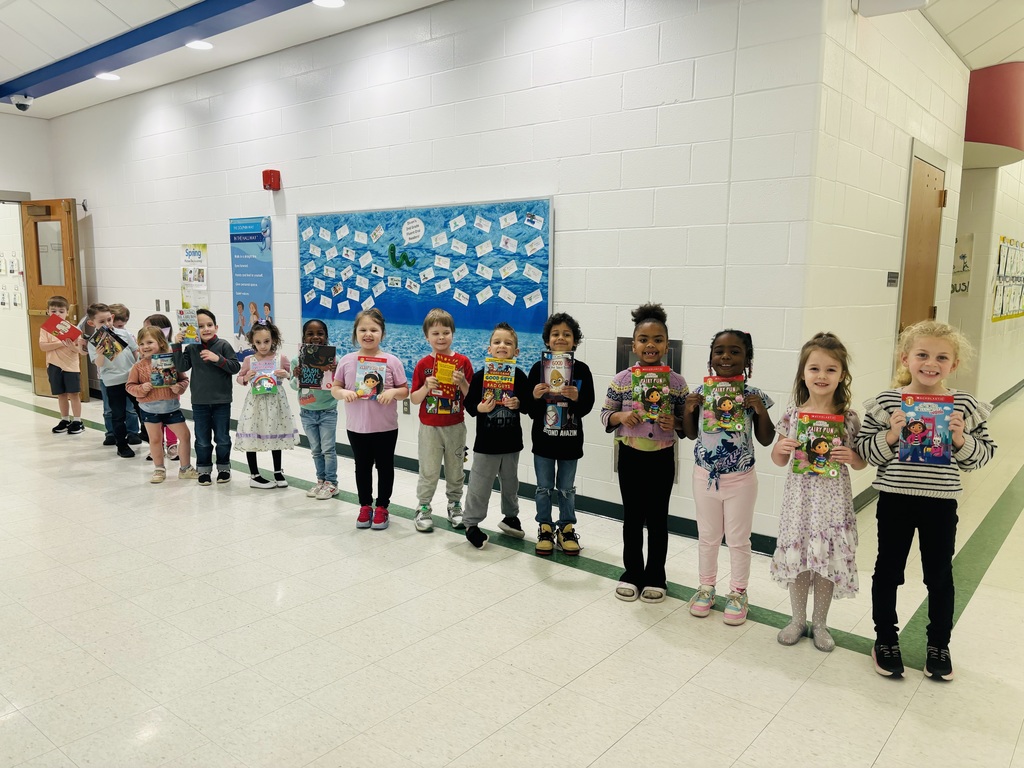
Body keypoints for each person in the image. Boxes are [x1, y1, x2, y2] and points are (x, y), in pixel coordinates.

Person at [855, 321, 996, 681]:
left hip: (940, 503)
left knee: (940, 575)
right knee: (888, 571)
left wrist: (961, 438)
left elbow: (983, 457)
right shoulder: (888, 402)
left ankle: (939, 644)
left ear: (954, 363)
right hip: (895, 499)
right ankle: (885, 639)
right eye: (922, 354)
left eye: (941, 357)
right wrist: (892, 433)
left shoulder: (963, 405)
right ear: (906, 358)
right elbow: (867, 452)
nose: (930, 363)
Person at [770, 332, 867, 652]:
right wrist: (783, 447)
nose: (822, 376)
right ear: (803, 373)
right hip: (800, 503)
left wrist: (850, 456)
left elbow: (861, 464)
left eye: (830, 369)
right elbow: (777, 458)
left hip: (833, 504)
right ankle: (798, 620)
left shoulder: (848, 419)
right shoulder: (793, 415)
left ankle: (821, 624)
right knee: (799, 562)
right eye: (814, 368)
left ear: (842, 376)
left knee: (825, 563)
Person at [682, 330, 774, 625]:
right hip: (704, 477)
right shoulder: (701, 392)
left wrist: (759, 411)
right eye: (719, 351)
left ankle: (738, 593)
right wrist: (688, 409)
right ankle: (706, 587)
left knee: (738, 539)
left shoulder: (754, 395)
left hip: (740, 480)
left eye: (735, 352)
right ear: (710, 358)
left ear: (748, 360)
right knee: (708, 537)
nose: (726, 357)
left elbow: (766, 438)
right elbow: (692, 434)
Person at [600, 303, 688, 604]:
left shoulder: (677, 384)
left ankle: (656, 576)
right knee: (633, 518)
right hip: (631, 456)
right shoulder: (622, 380)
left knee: (658, 519)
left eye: (658, 340)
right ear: (634, 344)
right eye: (644, 340)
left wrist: (674, 422)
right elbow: (605, 415)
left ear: (666, 344)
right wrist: (621, 418)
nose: (651, 345)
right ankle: (632, 574)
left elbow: (687, 426)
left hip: (662, 457)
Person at [332, 309, 409, 528]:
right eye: (363, 329)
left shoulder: (391, 361)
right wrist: (343, 393)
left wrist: (392, 392)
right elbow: (335, 388)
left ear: (382, 334)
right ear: (355, 333)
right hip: (357, 428)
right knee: (362, 467)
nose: (368, 334)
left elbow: (405, 390)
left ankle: (382, 507)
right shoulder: (347, 361)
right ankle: (365, 505)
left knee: (385, 467)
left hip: (385, 427)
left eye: (373, 330)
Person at [526, 313, 595, 556]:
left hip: (570, 441)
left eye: (567, 334)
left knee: (566, 488)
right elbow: (530, 410)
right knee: (543, 487)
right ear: (547, 340)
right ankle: (545, 527)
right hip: (543, 441)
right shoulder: (537, 369)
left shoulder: (582, 371)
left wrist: (577, 398)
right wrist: (534, 396)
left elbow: (587, 407)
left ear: (575, 341)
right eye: (555, 334)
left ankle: (565, 528)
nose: (561, 338)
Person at [462, 322, 531, 548]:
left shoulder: (519, 376)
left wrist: (519, 402)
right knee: (479, 485)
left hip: (511, 443)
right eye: (497, 342)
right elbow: (469, 405)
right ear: (489, 348)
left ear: (516, 351)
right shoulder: (481, 376)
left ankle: (511, 517)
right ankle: (471, 523)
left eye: (508, 343)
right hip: (486, 444)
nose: (502, 346)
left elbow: (529, 405)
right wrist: (481, 408)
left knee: (511, 484)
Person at [409, 308, 473, 532]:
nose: (441, 337)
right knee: (429, 469)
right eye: (435, 333)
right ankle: (424, 506)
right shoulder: (423, 365)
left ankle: (455, 504)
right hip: (429, 428)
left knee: (456, 469)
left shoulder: (463, 362)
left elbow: (471, 397)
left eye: (446, 332)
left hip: (455, 426)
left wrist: (462, 382)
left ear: (453, 334)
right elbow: (415, 399)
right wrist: (426, 386)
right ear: (427, 336)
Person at [173, 308, 240, 485]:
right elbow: (181, 366)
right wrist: (177, 346)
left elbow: (235, 367)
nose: (206, 329)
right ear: (193, 329)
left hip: (222, 401)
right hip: (200, 402)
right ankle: (203, 469)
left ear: (216, 327)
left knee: (223, 438)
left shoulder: (223, 345)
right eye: (200, 326)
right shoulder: (192, 347)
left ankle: (224, 467)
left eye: (209, 325)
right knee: (202, 439)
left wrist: (217, 359)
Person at [125, 327, 198, 483]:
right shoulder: (138, 367)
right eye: (142, 343)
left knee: (185, 436)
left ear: (161, 343)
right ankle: (159, 468)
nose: (146, 346)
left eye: (150, 342)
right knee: (156, 439)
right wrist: (141, 389)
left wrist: (179, 387)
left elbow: (184, 380)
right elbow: (129, 386)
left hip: (171, 408)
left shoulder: (171, 361)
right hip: (149, 409)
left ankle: (185, 468)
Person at [235, 320, 298, 488]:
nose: (262, 346)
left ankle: (278, 471)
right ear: (252, 342)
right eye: (258, 342)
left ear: (273, 340)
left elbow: (293, 377)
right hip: (256, 402)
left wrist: (285, 374)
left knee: (275, 431)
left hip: (275, 401)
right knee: (253, 431)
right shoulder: (249, 359)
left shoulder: (280, 358)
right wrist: (246, 378)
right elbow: (239, 378)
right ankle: (254, 474)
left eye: (266, 341)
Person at [78, 302, 142, 447]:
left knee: (138, 409)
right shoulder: (93, 342)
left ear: (112, 317)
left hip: (131, 379)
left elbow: (135, 351)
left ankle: (139, 433)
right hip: (112, 382)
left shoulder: (124, 333)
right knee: (117, 414)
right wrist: (100, 354)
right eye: (101, 321)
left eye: (109, 319)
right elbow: (99, 364)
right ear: (91, 322)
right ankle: (121, 444)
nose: (107, 324)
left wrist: (138, 368)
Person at [291, 319, 340, 500]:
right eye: (310, 334)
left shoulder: (336, 361)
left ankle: (332, 483)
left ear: (326, 337)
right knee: (316, 450)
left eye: (320, 333)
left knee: (328, 449)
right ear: (304, 337)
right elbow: (295, 387)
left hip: (328, 411)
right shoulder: (297, 360)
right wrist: (296, 376)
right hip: (307, 411)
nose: (315, 337)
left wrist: (335, 373)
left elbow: (339, 386)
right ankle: (321, 480)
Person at [38, 295, 84, 435]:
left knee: (74, 394)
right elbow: (43, 346)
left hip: (71, 366)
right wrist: (60, 342)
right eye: (53, 311)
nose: (57, 314)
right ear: (48, 312)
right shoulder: (45, 329)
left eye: (61, 311)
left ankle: (77, 420)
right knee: (61, 394)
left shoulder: (74, 330)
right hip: (53, 365)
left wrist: (71, 346)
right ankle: (65, 419)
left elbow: (79, 350)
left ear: (67, 312)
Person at [142, 314, 180, 462]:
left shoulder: (171, 347)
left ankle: (172, 445)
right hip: (153, 390)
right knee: (155, 419)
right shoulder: (145, 349)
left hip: (170, 388)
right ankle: (157, 446)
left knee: (170, 417)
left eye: (150, 328)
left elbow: (179, 367)